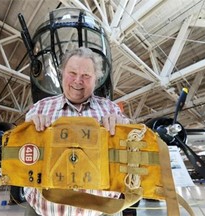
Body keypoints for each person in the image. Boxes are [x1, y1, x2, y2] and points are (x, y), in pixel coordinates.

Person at [24, 47, 130, 216]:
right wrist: (27, 131)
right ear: (62, 74)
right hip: (43, 211)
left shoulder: (112, 109)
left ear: (96, 79)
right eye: (72, 73)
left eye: (86, 76)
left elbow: (131, 154)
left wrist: (124, 129)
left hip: (101, 212)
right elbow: (23, 158)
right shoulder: (40, 108)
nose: (78, 81)